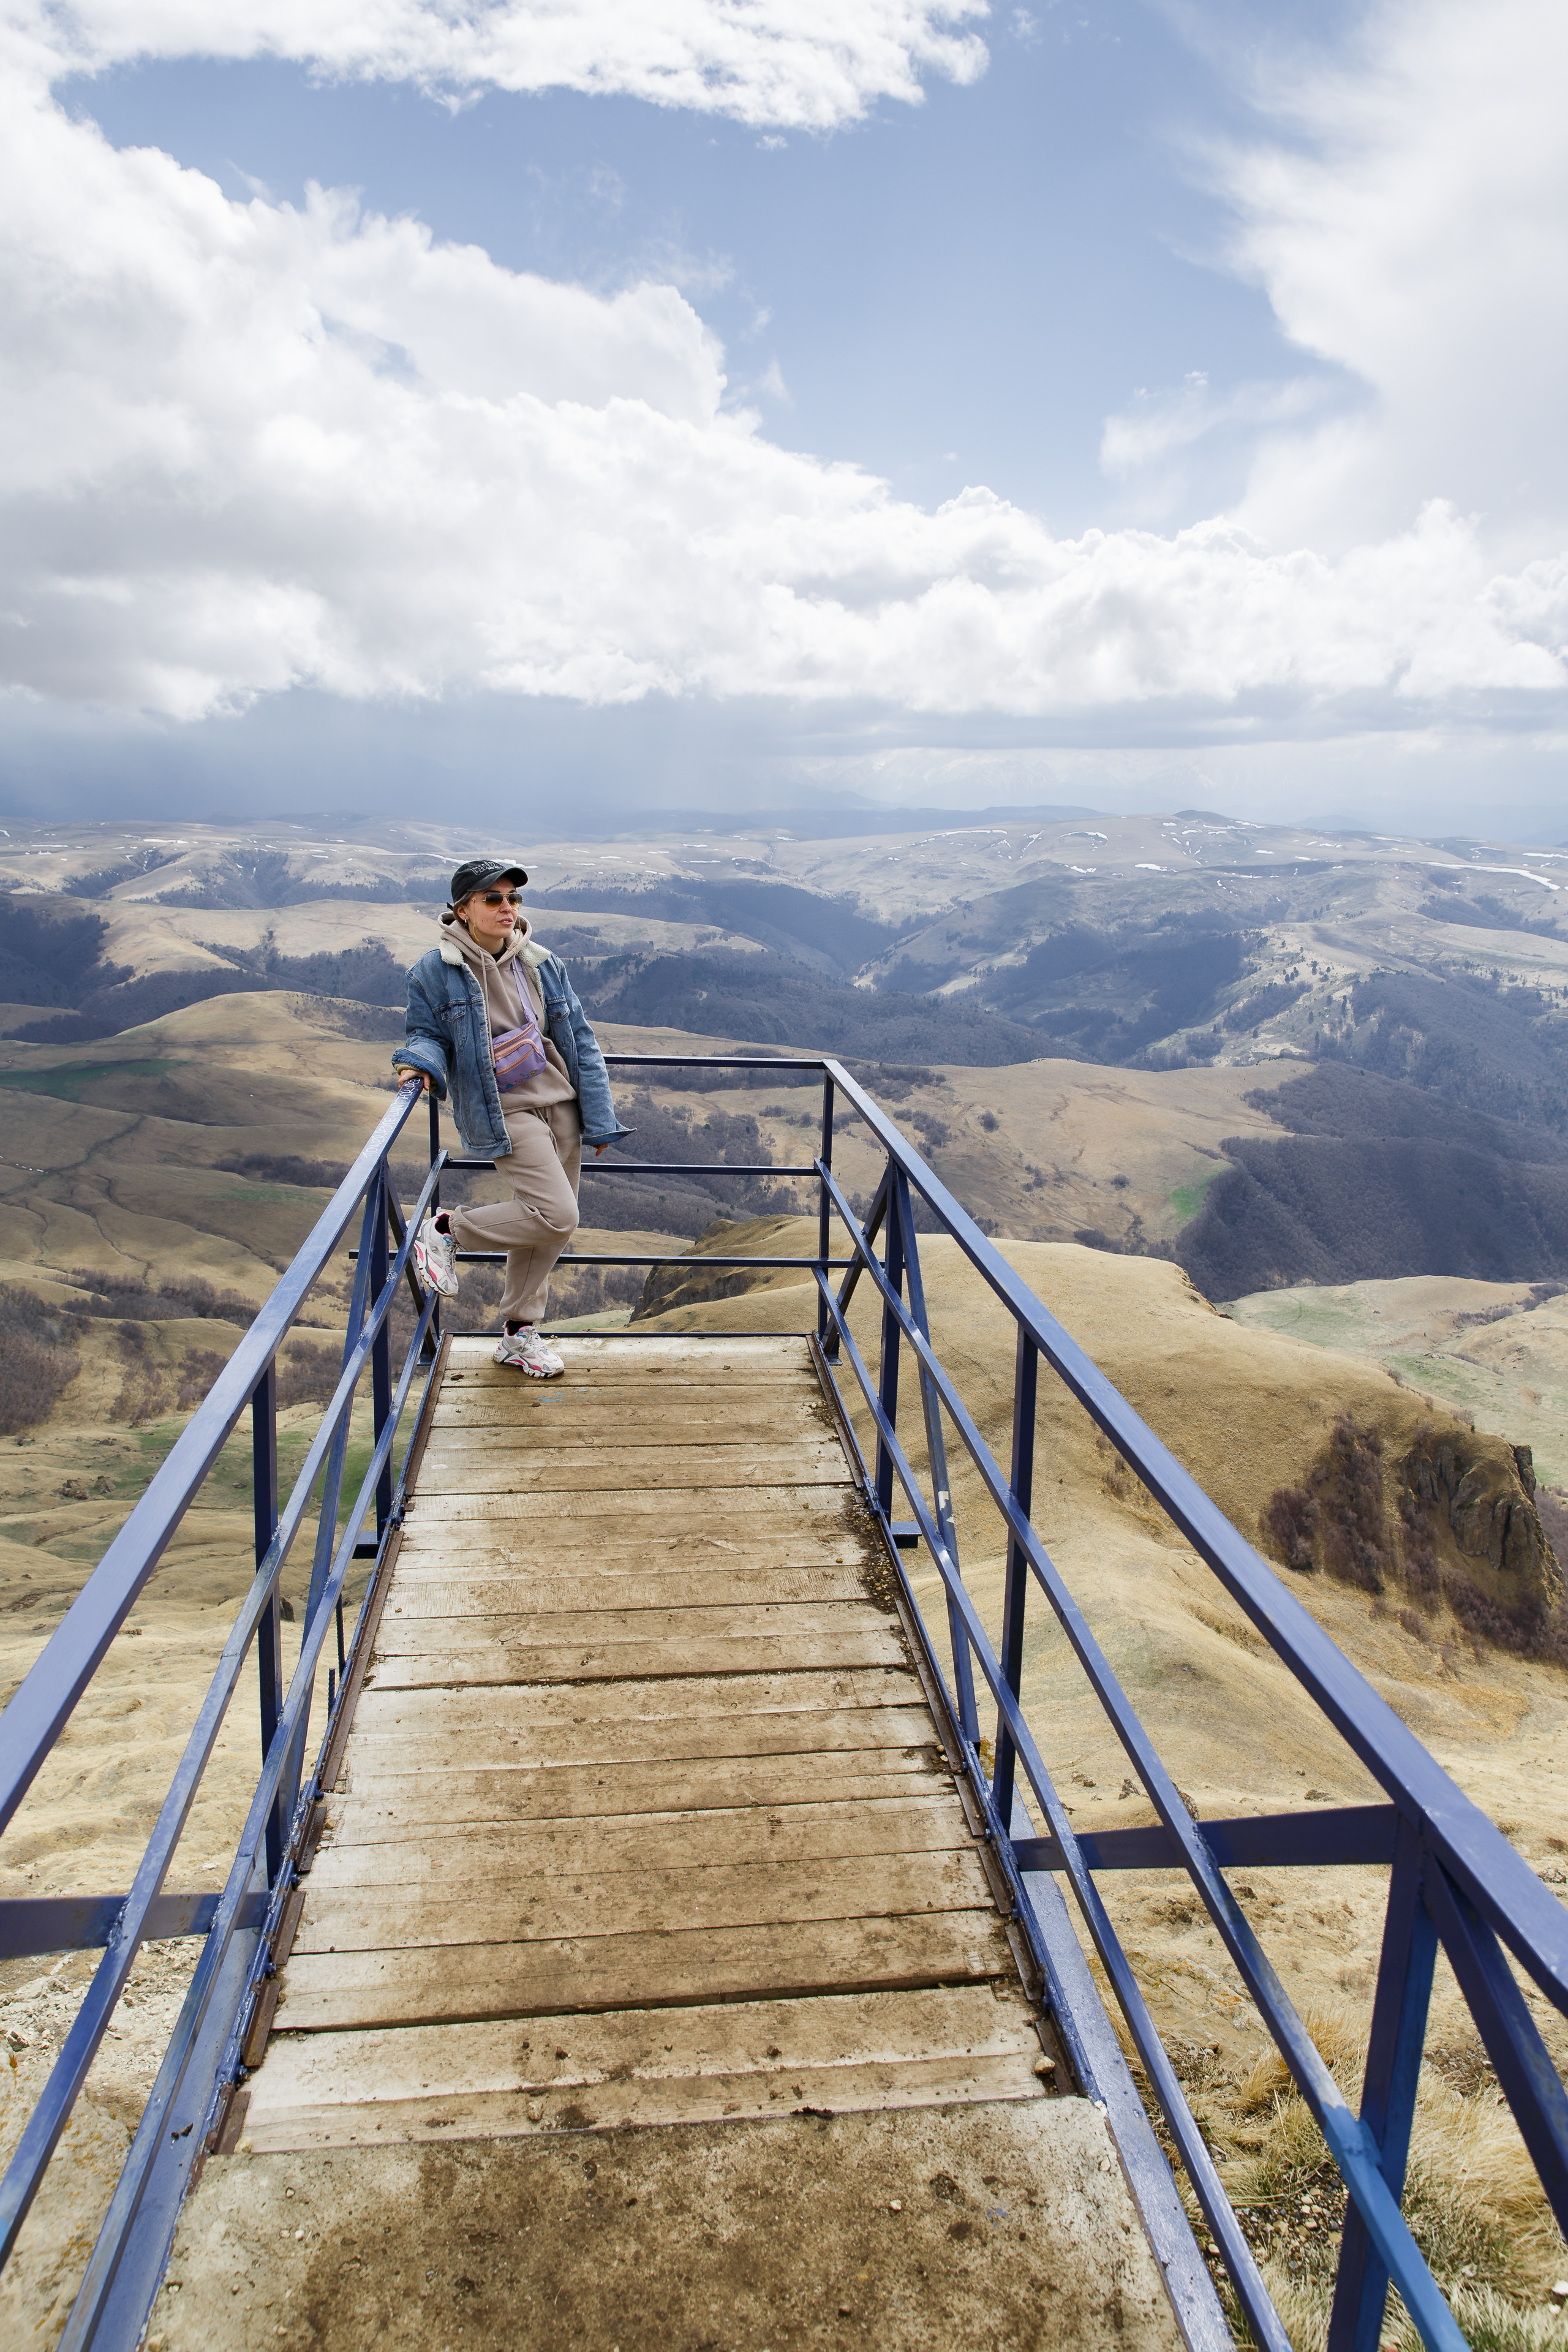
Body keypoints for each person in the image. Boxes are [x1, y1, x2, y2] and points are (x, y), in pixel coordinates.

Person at [392, 856, 629, 1379]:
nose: (507, 908)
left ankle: (519, 1335)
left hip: (560, 1103)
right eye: (493, 899)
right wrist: (419, 1065)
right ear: (463, 909)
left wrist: (599, 1115)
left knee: (548, 1231)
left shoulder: (541, 963)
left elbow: (580, 1041)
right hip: (505, 1110)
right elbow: (426, 1035)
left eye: (513, 898)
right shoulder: (434, 972)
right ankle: (447, 1228)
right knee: (558, 1215)